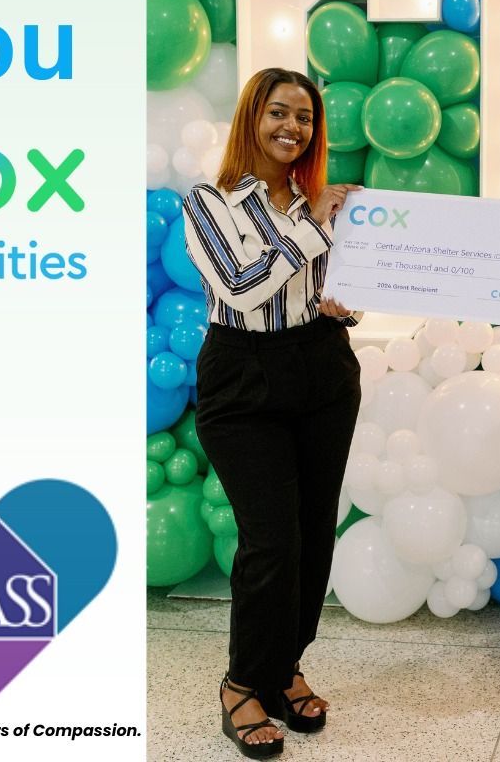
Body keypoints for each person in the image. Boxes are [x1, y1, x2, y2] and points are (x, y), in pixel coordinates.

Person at [183, 67, 363, 758]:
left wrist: (343, 300)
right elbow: (240, 285)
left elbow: (330, 288)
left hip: (321, 366)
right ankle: (242, 685)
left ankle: (286, 667)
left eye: (306, 118)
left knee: (315, 534)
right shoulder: (210, 201)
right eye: (279, 113)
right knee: (271, 539)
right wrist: (313, 229)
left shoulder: (319, 201)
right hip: (243, 378)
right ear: (251, 118)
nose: (293, 128)